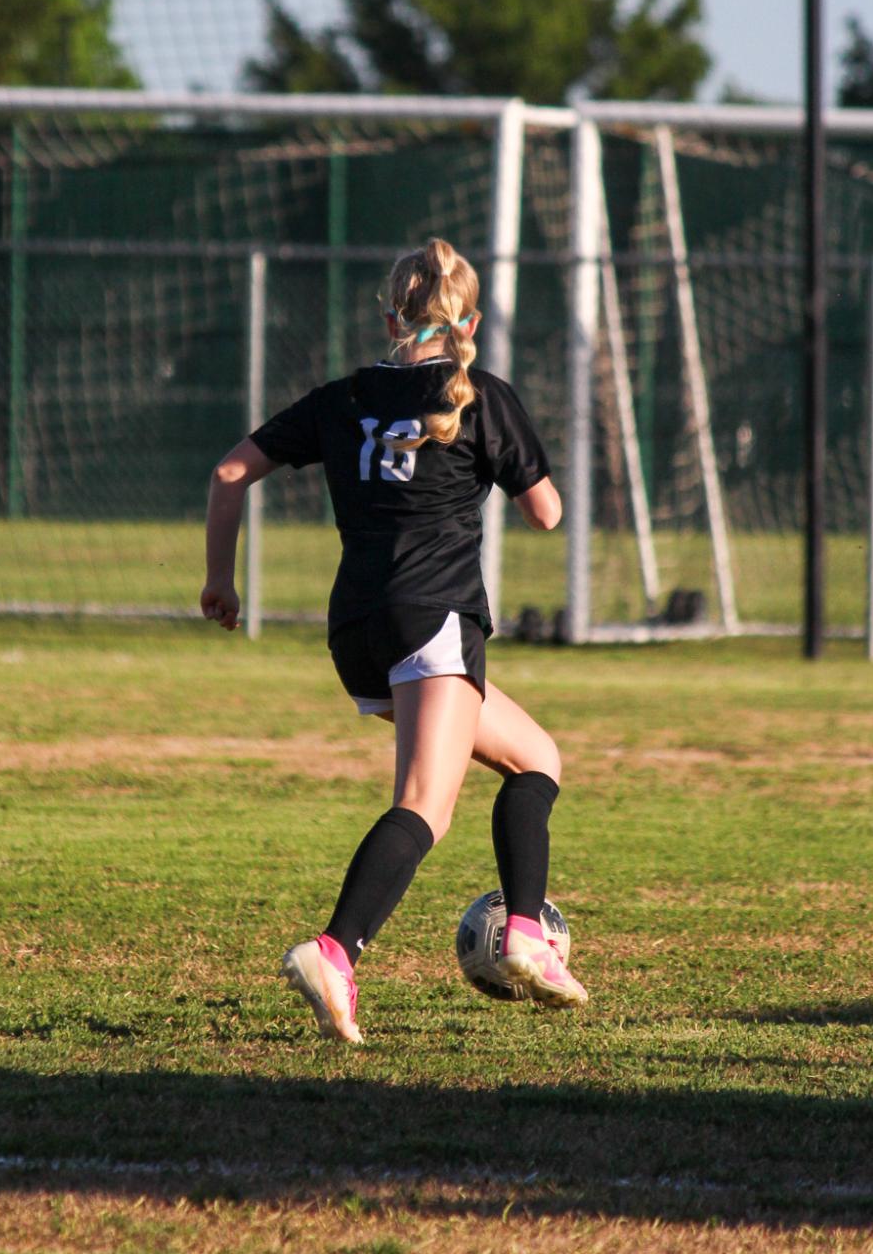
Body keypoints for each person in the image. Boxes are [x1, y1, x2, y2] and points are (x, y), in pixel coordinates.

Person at [201, 236, 587, 1044]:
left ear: (390, 318)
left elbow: (230, 470)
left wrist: (221, 582)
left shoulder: (344, 398)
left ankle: (523, 933)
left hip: (357, 628)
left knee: (536, 756)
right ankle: (334, 950)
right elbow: (547, 512)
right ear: (471, 318)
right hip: (433, 618)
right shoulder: (477, 394)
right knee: (425, 803)